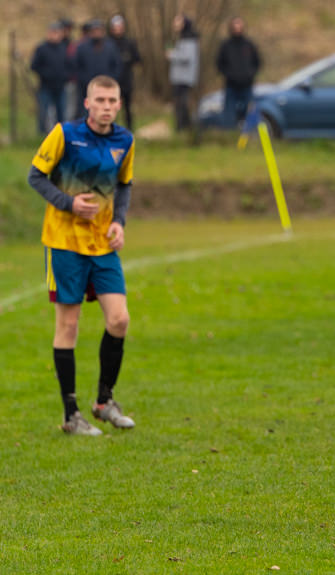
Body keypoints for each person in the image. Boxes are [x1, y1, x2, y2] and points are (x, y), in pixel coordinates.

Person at [27, 75, 136, 436]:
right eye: (100, 100)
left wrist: (119, 222)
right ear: (87, 103)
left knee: (119, 320)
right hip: (64, 243)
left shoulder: (125, 141)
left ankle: (104, 402)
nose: (106, 106)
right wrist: (69, 203)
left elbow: (123, 185)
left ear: (119, 104)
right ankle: (71, 414)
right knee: (68, 326)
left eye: (112, 101)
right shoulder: (64, 134)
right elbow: (36, 176)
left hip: (103, 245)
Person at [216, 16, 261, 128]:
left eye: (239, 25)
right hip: (231, 86)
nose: (237, 28)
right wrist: (228, 75)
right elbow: (219, 63)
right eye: (235, 25)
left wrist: (250, 74)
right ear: (231, 27)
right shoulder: (226, 45)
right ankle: (229, 137)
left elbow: (257, 62)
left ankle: (249, 136)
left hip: (247, 85)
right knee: (229, 114)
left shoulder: (249, 44)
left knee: (250, 113)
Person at [74, 19, 120, 119]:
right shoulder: (82, 47)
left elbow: (117, 65)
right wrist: (83, 80)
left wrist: (111, 80)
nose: (97, 33)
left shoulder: (110, 47)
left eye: (99, 30)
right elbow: (76, 66)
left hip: (106, 87)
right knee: (85, 113)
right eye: (94, 31)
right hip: (86, 87)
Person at [30, 21, 69, 133]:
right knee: (43, 111)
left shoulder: (64, 48)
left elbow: (70, 65)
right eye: (53, 32)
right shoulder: (41, 49)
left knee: (61, 112)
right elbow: (34, 66)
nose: (55, 35)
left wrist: (65, 76)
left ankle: (61, 133)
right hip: (45, 86)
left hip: (61, 86)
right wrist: (46, 74)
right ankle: (41, 134)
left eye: (57, 33)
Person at [166, 14, 200, 132]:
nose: (175, 24)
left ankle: (184, 127)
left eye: (178, 22)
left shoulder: (189, 39)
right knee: (179, 104)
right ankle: (182, 127)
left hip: (184, 78)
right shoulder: (182, 38)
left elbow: (187, 57)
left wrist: (172, 55)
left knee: (183, 104)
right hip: (178, 77)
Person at [108, 14, 141, 130]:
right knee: (111, 107)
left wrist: (128, 59)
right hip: (112, 80)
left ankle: (129, 129)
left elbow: (138, 59)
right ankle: (111, 129)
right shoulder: (108, 43)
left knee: (127, 107)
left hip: (127, 80)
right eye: (115, 26)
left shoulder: (129, 42)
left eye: (120, 26)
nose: (118, 29)